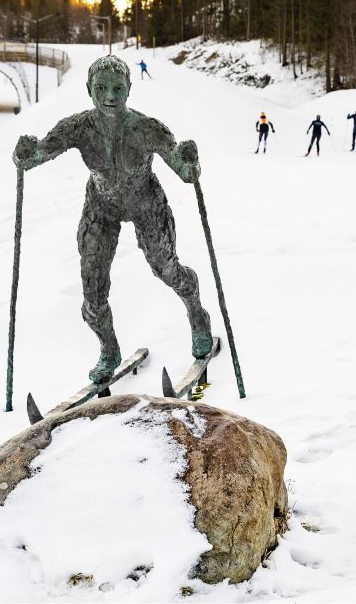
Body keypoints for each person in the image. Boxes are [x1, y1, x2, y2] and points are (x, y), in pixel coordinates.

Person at [12, 55, 213, 384]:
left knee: (166, 269)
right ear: (88, 89)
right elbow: (39, 153)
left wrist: (190, 161)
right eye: (101, 88)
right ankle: (109, 349)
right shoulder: (78, 127)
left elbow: (185, 172)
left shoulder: (147, 128)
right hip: (101, 207)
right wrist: (25, 154)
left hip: (146, 203)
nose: (109, 96)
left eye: (118, 88)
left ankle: (196, 311)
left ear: (129, 88)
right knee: (92, 289)